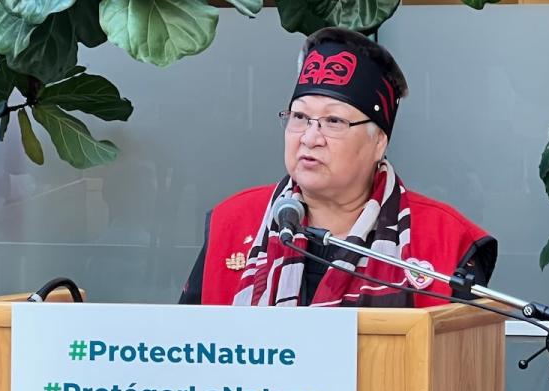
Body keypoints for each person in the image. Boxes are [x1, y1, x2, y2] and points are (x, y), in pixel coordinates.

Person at [179, 27, 496, 307]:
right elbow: (187, 354)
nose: (309, 137)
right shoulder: (234, 221)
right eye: (300, 117)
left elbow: (464, 362)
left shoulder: (445, 240)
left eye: (333, 121)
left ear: (378, 142)